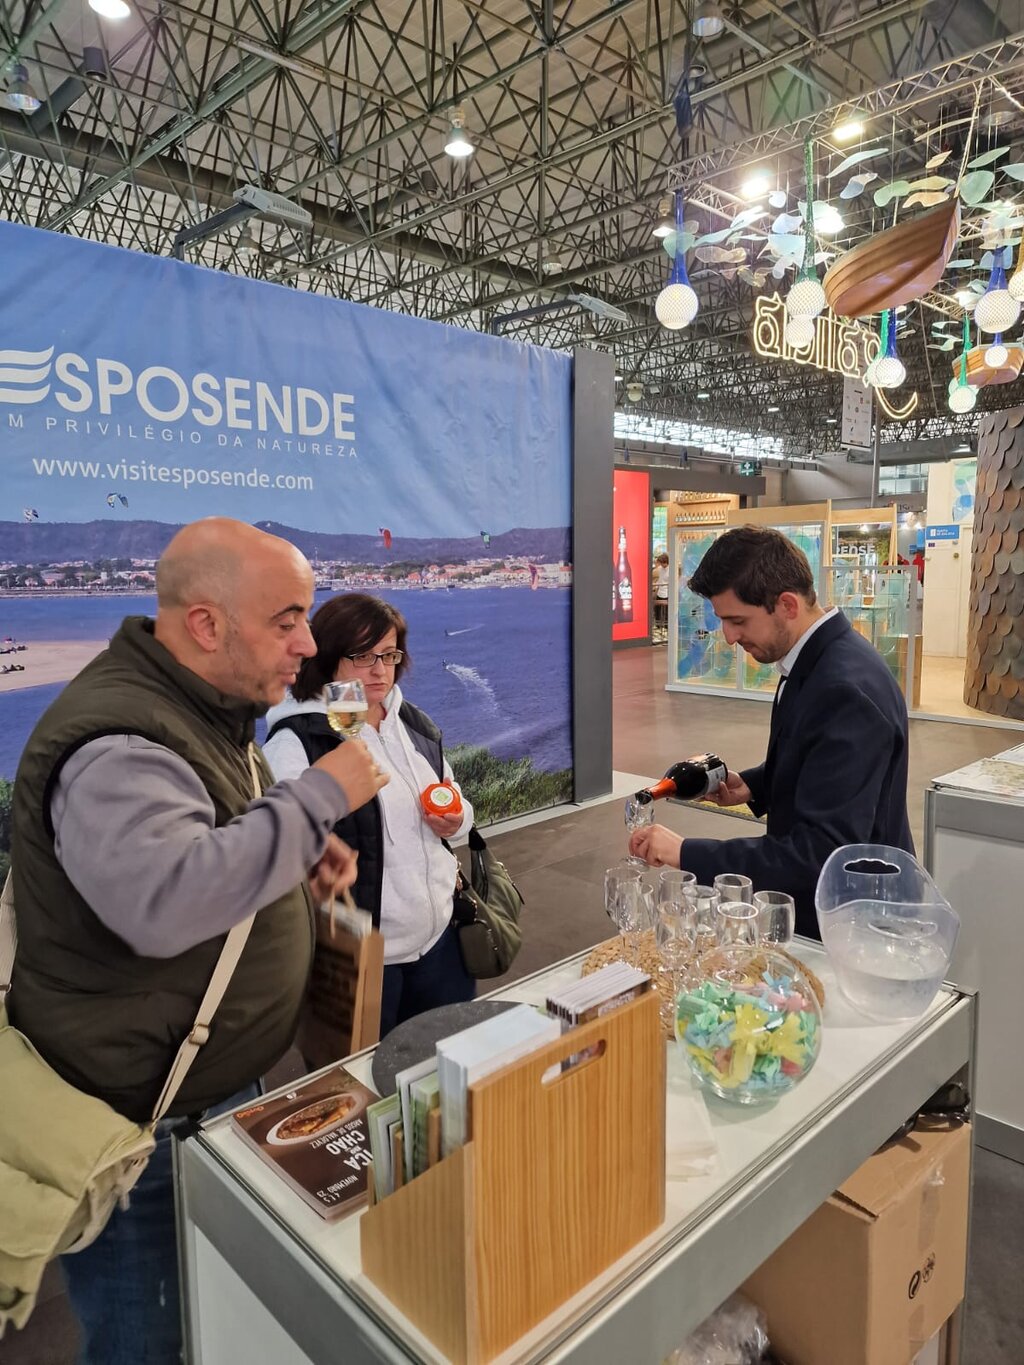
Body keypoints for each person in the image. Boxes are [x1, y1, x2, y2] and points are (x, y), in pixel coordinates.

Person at [8, 517, 387, 1365]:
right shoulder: (120, 743)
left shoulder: (199, 707)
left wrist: (291, 860)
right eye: (287, 620)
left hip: (202, 1087)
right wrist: (319, 798)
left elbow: (205, 836)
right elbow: (163, 900)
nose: (308, 644)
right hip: (138, 1130)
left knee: (220, 1317)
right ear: (207, 624)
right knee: (152, 1339)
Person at [629, 525, 913, 937]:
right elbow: (819, 756)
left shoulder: (844, 689)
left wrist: (686, 852)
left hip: (855, 923)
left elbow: (820, 854)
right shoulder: (819, 661)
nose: (729, 637)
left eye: (737, 620)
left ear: (787, 605)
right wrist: (754, 786)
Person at [263, 592, 475, 1038]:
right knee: (364, 1077)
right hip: (362, 957)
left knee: (447, 1068)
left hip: (441, 941)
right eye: (363, 656)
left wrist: (457, 821)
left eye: (389, 654)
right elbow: (278, 850)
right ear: (327, 658)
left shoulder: (414, 724)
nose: (380, 670)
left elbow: (454, 798)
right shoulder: (297, 742)